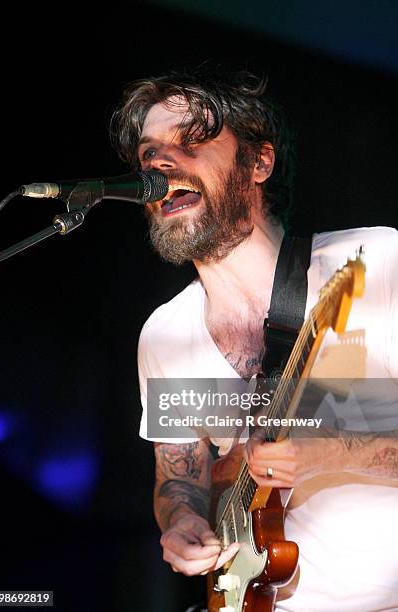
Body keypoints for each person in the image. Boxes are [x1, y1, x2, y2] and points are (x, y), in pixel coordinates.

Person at [111, 66, 398, 610]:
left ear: (258, 161)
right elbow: (181, 481)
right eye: (148, 154)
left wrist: (331, 452)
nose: (160, 164)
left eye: (190, 141)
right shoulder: (165, 335)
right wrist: (183, 522)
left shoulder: (375, 263)